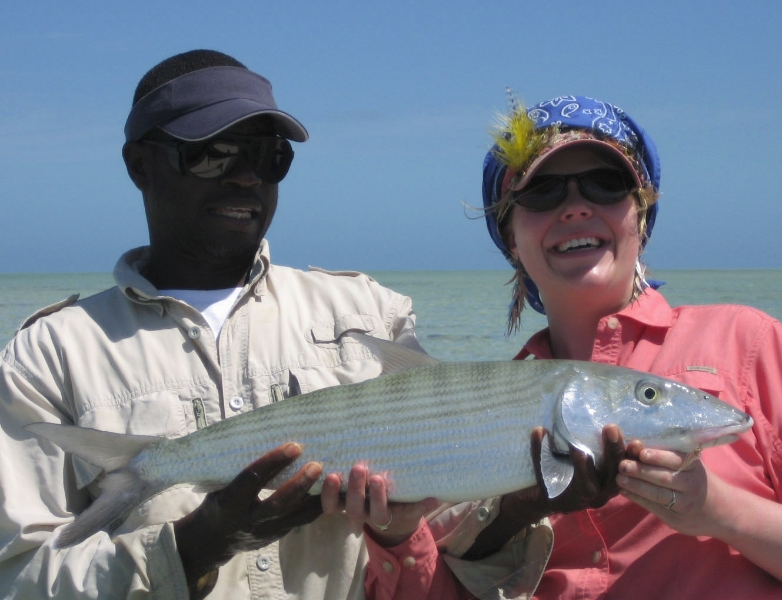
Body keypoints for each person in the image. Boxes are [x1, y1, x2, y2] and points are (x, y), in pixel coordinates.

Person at [0, 49, 478, 599]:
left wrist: (521, 503)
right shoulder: (49, 356)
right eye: (215, 155)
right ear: (139, 165)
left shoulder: (371, 315)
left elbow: (455, 529)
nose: (247, 177)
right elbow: (20, 578)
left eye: (269, 156)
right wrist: (191, 548)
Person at [472, 94, 782, 598]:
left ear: (641, 215)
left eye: (605, 184)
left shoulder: (751, 343)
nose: (575, 207)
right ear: (510, 236)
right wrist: (508, 518)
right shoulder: (478, 404)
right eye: (543, 192)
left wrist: (716, 510)